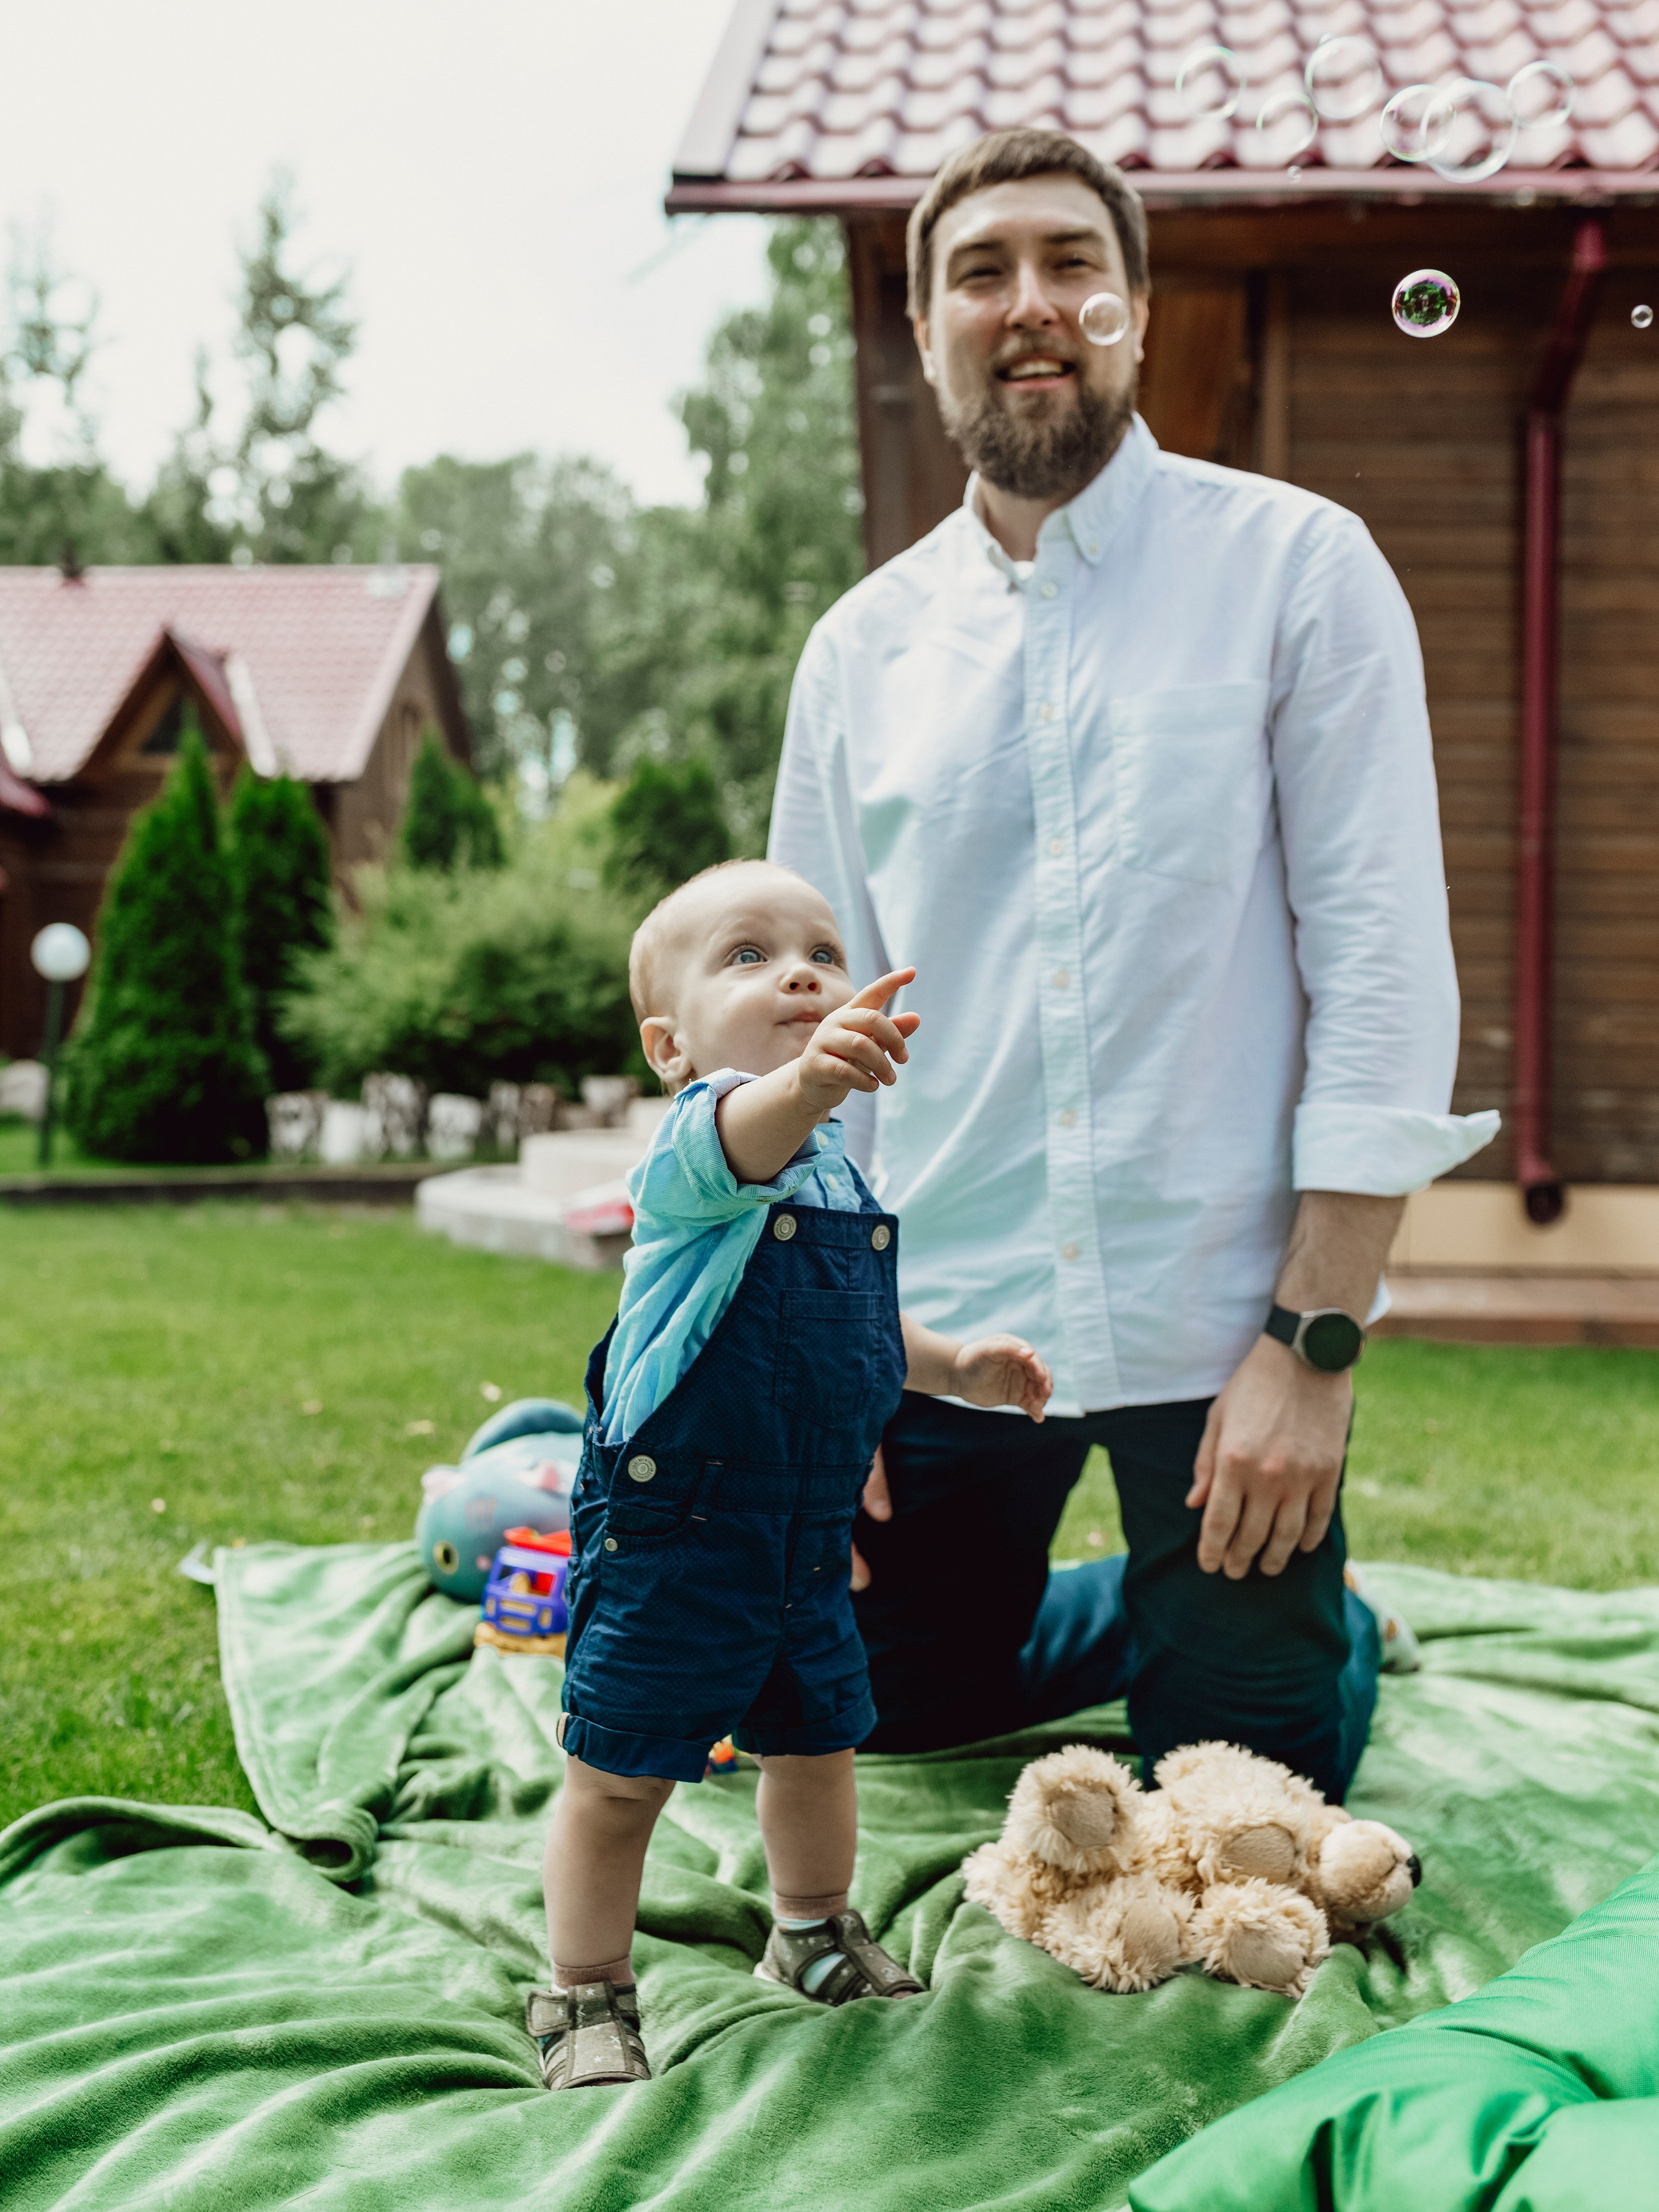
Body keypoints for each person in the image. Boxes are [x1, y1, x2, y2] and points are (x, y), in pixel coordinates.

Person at [768, 128, 1498, 1805]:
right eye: (981, 272)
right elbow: (813, 1032)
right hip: (942, 1319)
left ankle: (1303, 1629)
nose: (1029, 302)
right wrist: (825, 1365)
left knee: (1246, 1779)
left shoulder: (1300, 568)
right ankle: (1139, 1607)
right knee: (884, 1716)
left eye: (1070, 263)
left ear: (1135, 312)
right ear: (925, 330)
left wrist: (1311, 1350)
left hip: (1224, 1318)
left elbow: (1381, 966)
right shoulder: (858, 651)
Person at [530, 859, 1052, 2091]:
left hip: (805, 1536)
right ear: (670, 1044)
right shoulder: (696, 1147)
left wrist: (954, 1367)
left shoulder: (835, 1177)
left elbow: (865, 1323)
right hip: (676, 1526)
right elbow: (746, 1128)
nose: (804, 973)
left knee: (818, 1746)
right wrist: (813, 1078)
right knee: (621, 1773)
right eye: (750, 955)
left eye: (822, 950)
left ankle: (811, 1927)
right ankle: (583, 1985)